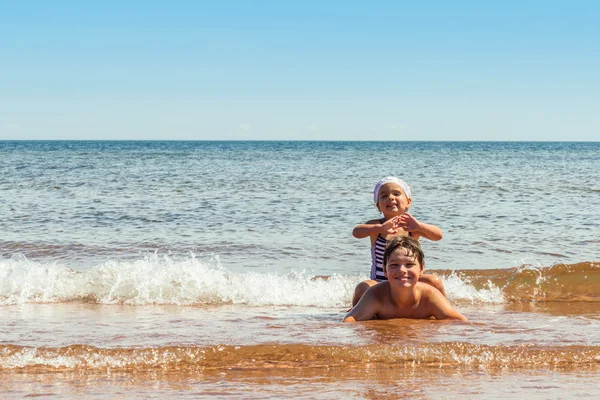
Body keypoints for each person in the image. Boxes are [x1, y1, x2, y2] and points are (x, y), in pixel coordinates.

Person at [351, 176, 444, 306]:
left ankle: (444, 306)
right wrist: (381, 228)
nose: (390, 198)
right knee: (362, 288)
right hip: (381, 282)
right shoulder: (376, 226)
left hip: (409, 280)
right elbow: (356, 232)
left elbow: (438, 235)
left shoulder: (412, 227)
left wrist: (419, 226)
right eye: (384, 196)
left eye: (396, 193)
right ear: (378, 205)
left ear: (408, 202)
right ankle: (355, 311)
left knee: (434, 281)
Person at [343, 236, 467, 322]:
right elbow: (349, 320)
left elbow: (459, 321)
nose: (402, 270)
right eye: (394, 265)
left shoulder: (429, 297)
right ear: (385, 270)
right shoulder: (376, 295)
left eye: (409, 265)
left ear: (421, 269)